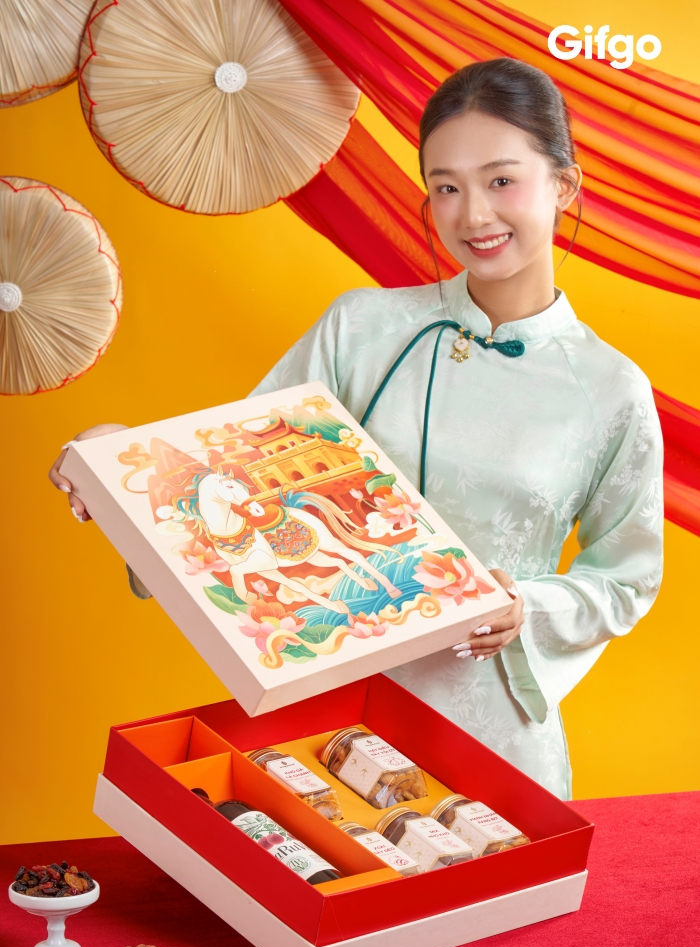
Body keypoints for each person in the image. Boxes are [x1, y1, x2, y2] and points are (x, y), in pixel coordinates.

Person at [49, 59, 663, 800]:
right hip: (325, 724)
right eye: (446, 187)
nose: (473, 216)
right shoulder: (360, 328)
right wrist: (126, 467)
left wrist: (528, 606)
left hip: (493, 732)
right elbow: (235, 483)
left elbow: (626, 577)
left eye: (501, 180)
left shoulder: (609, 387)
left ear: (564, 185)